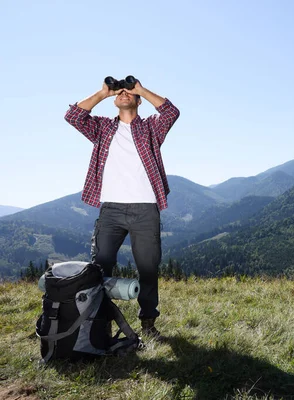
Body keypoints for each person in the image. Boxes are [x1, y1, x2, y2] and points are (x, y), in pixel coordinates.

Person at [64, 77, 180, 341]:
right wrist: (104, 93)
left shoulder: (150, 128)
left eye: (130, 92)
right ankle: (98, 323)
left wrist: (140, 89)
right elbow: (73, 115)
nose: (124, 93)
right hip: (111, 210)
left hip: (146, 208)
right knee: (100, 267)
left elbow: (171, 112)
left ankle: (148, 324)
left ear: (138, 100)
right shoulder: (102, 129)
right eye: (121, 92)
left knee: (148, 268)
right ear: (115, 101)